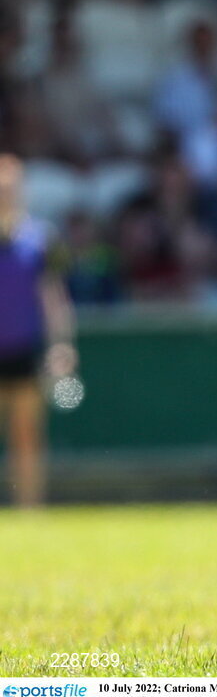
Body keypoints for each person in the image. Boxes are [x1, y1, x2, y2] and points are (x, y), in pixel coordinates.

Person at [0, 154, 77, 507]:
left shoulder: (39, 240)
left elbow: (54, 298)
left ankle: (29, 509)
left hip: (23, 352)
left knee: (26, 436)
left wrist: (61, 346)